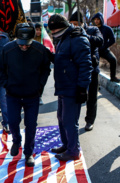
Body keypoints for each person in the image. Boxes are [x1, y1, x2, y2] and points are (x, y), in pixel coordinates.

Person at [0, 23, 51, 167]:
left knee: (31, 125)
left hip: (32, 96)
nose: (24, 47)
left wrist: (40, 86)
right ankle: (16, 140)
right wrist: (6, 84)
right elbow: (0, 69)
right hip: (13, 95)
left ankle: (28, 152)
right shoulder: (7, 50)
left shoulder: (40, 50)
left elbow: (46, 69)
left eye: (26, 45)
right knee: (13, 122)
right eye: (21, 44)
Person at [48, 14, 93, 161]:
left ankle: (73, 150)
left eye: (55, 31)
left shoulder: (78, 39)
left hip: (73, 88)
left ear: (64, 27)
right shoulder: (64, 38)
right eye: (52, 32)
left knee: (69, 120)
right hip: (63, 86)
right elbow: (64, 59)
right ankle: (67, 145)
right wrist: (51, 57)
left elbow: (86, 65)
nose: (53, 34)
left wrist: (82, 88)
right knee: (61, 118)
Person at [69, 11, 104, 131]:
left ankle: (90, 120)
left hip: (92, 68)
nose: (74, 26)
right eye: (71, 24)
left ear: (82, 23)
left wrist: (84, 35)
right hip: (77, 70)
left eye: (76, 23)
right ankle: (73, 121)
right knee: (76, 95)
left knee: (92, 97)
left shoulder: (93, 30)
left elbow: (100, 41)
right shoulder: (70, 33)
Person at [91, 12, 119, 83]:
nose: (96, 21)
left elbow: (112, 40)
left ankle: (113, 77)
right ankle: (95, 83)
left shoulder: (107, 29)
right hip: (95, 50)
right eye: (95, 19)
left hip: (104, 50)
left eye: (98, 19)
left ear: (101, 19)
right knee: (94, 66)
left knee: (113, 60)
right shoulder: (92, 29)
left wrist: (105, 46)